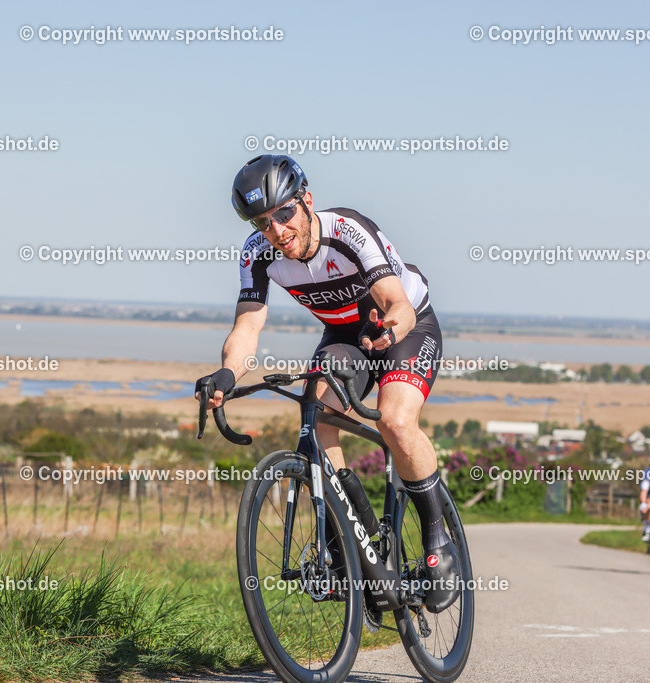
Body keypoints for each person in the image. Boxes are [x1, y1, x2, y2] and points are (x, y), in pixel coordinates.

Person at [195, 154, 458, 613]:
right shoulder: (256, 253)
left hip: (404, 327)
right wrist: (226, 373)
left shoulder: (348, 231)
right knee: (316, 416)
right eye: (263, 222)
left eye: (284, 213)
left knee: (396, 422)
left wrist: (390, 331)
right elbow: (247, 329)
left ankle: (439, 539)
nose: (277, 231)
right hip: (344, 336)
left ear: (306, 201)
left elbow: (397, 302)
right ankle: (362, 543)